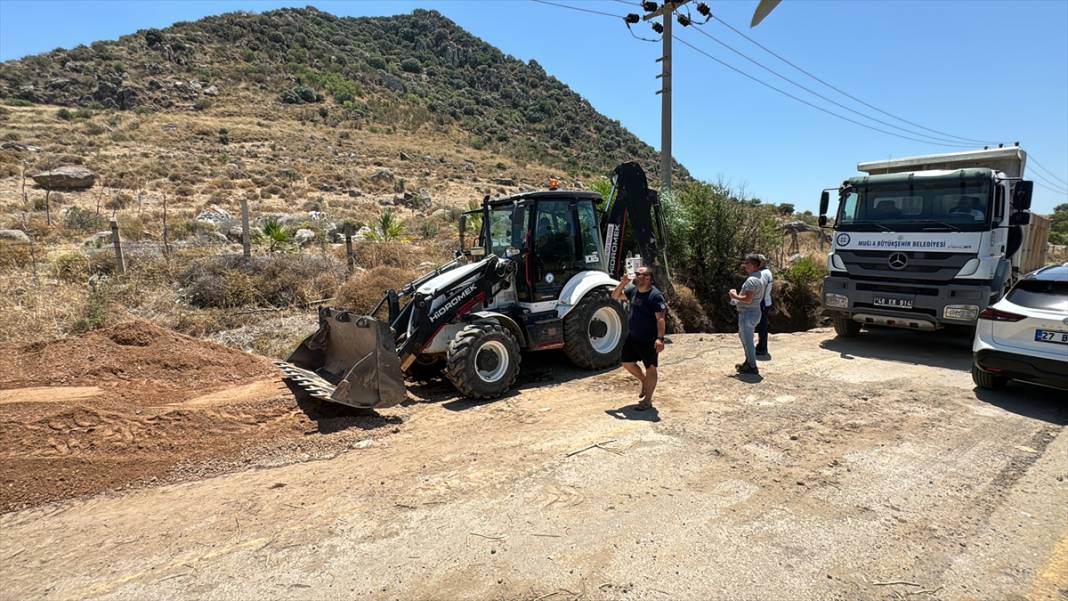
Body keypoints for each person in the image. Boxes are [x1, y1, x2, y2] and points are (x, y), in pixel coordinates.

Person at [611, 266, 667, 410]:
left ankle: (647, 400)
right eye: (635, 273)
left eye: (638, 274)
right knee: (626, 362)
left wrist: (660, 339)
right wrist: (623, 283)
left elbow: (660, 319)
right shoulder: (633, 291)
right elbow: (615, 296)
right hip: (633, 336)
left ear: (647, 278)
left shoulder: (655, 296)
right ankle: (644, 381)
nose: (635, 276)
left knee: (651, 368)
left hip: (648, 339)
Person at [728, 254, 766, 376]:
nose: (745, 265)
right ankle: (748, 362)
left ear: (753, 265)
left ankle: (752, 366)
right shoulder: (760, 277)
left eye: (747, 263)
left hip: (748, 314)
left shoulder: (751, 280)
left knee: (748, 341)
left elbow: (748, 299)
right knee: (745, 338)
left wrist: (734, 296)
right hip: (753, 312)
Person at [755, 254, 773, 358]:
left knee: (762, 326)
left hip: (762, 303)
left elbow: (761, 289)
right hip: (765, 302)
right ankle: (761, 346)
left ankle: (762, 348)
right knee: (762, 325)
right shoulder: (767, 272)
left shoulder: (763, 274)